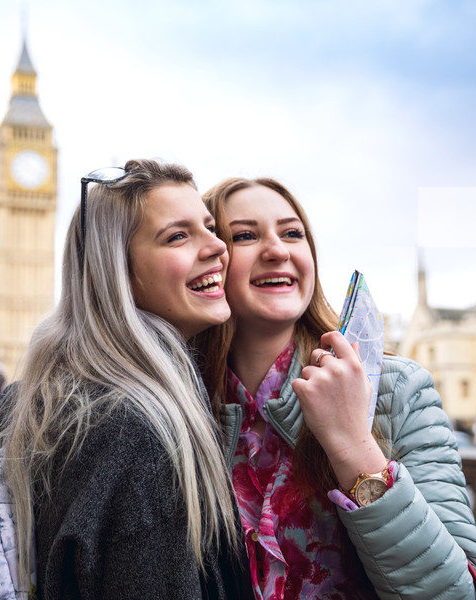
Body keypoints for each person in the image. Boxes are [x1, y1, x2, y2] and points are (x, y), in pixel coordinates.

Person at [202, 178, 476, 599]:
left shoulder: (397, 388)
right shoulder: (180, 403)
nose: (278, 250)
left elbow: (454, 591)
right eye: (244, 235)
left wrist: (352, 445)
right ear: (210, 262)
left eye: (293, 233)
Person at [0, 159, 253, 599]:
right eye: (177, 236)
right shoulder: (135, 431)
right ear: (118, 273)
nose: (217, 247)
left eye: (210, 228)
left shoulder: (70, 404)